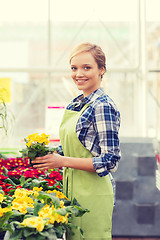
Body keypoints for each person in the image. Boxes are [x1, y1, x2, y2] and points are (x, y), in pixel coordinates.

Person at [32, 42, 121, 240]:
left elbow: (110, 160)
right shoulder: (77, 103)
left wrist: (61, 161)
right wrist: (45, 155)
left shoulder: (103, 106)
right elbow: (73, 147)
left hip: (94, 194)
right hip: (72, 189)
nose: (78, 74)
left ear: (101, 70)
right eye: (74, 68)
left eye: (86, 67)